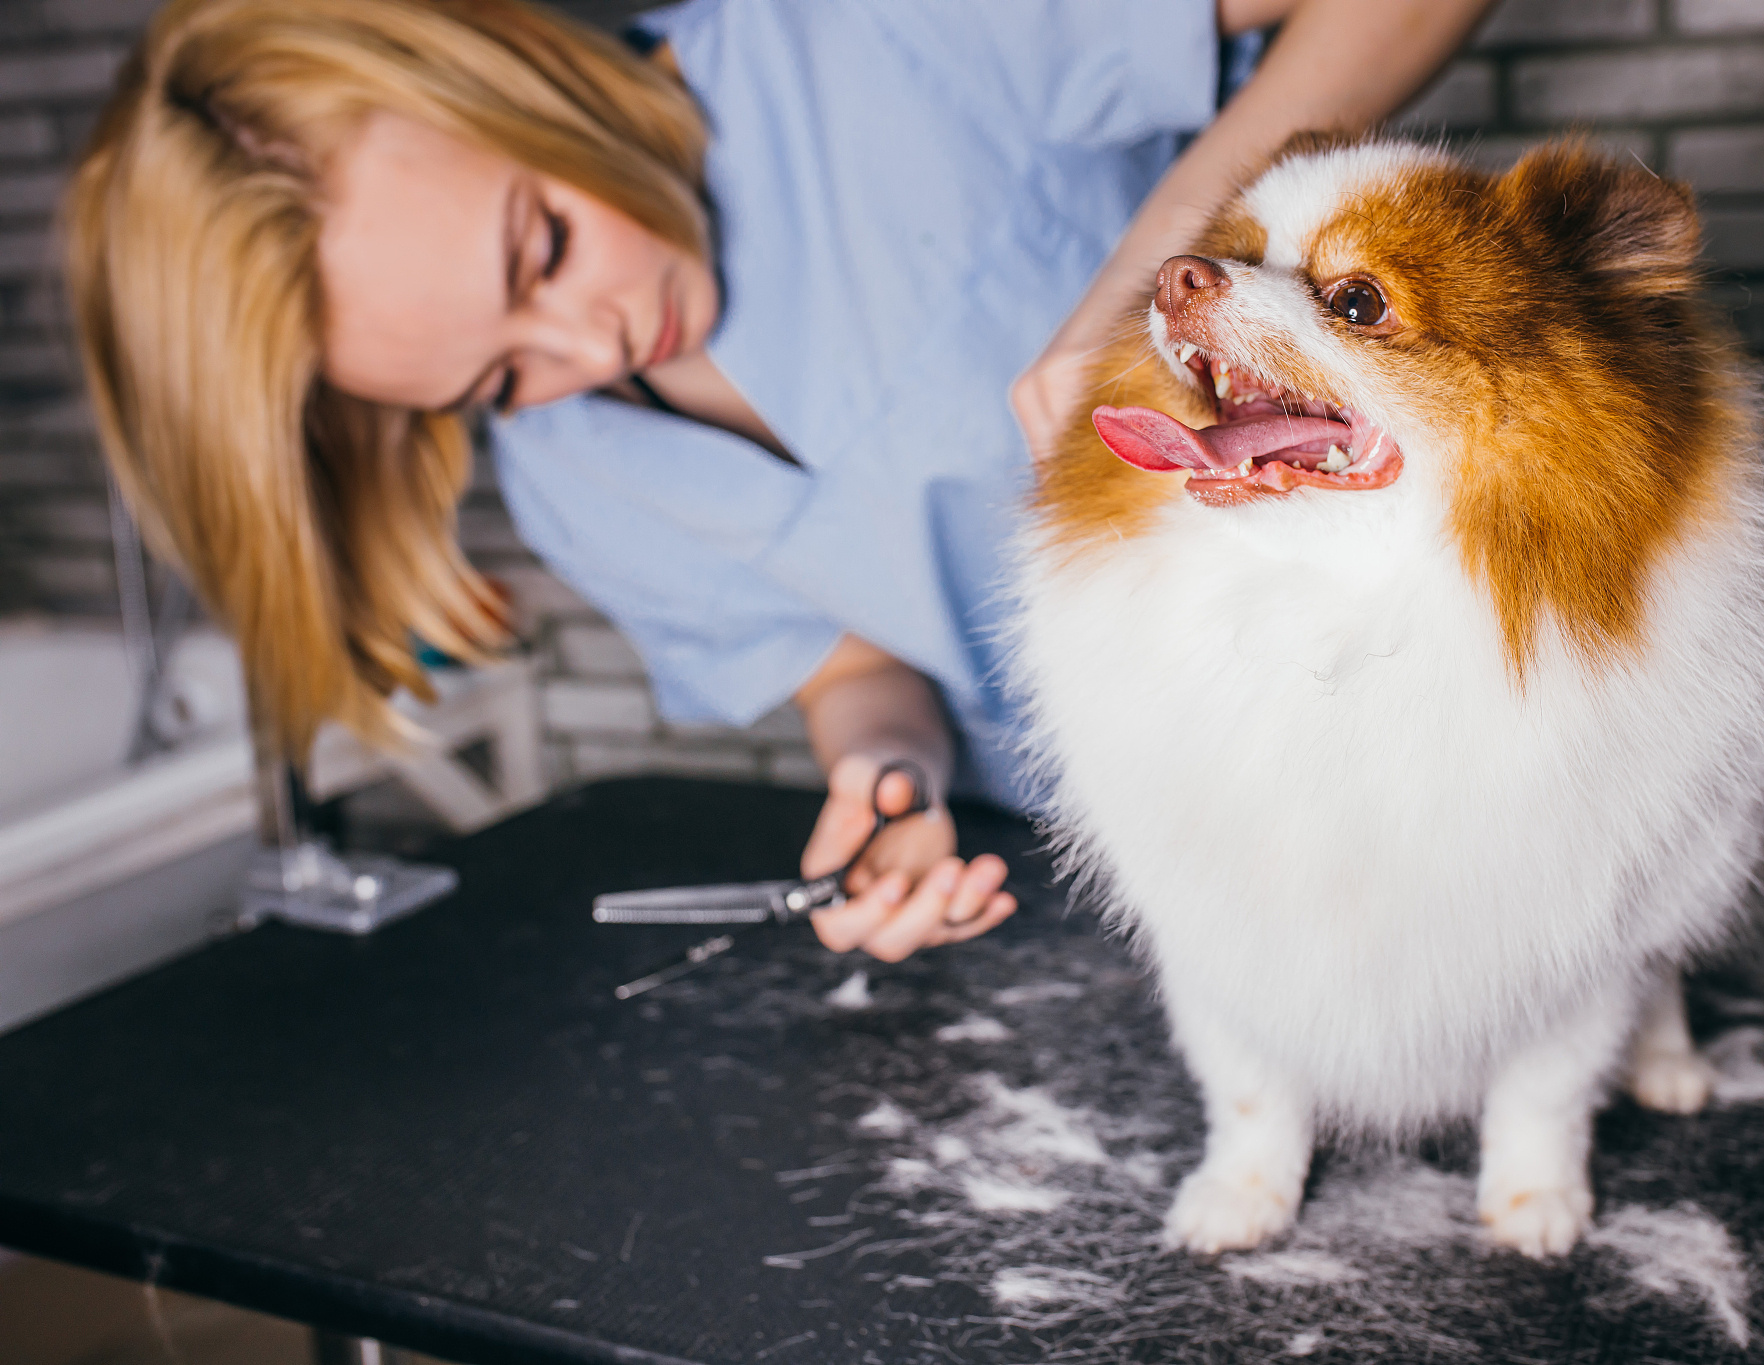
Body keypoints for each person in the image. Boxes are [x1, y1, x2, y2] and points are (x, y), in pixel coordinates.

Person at [67, 0, 1496, 962]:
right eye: (490, 378)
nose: (590, 345)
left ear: (508, 74)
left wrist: (1153, 283)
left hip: (1446, 721)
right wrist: (888, 774)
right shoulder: (570, 475)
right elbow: (856, 659)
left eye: (544, 249)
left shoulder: (862, 41)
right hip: (1162, 875)